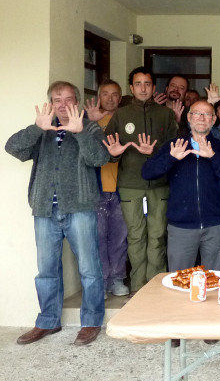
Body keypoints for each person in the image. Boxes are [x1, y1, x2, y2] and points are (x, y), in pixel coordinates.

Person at [6, 81, 108, 346]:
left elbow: (99, 158)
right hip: (44, 208)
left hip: (80, 207)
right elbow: (13, 148)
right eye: (57, 99)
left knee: (89, 268)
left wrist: (80, 132)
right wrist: (35, 128)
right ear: (51, 102)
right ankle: (48, 321)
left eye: (68, 99)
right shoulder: (42, 129)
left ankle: (91, 321)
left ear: (76, 101)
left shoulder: (91, 127)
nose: (63, 104)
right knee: (46, 270)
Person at [103, 67, 179, 291]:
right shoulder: (121, 115)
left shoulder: (165, 114)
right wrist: (114, 153)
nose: (143, 88)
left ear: (154, 87)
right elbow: (108, 150)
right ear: (131, 88)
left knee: (157, 235)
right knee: (135, 236)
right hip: (129, 184)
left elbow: (173, 151)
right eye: (138, 84)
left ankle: (155, 287)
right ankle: (138, 287)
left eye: (147, 84)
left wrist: (153, 155)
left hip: (160, 185)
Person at [141, 101, 220, 272]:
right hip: (181, 226)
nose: (201, 118)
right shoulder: (174, 145)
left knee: (213, 280)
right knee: (179, 281)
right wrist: (170, 157)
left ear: (213, 119)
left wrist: (213, 156)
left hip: (215, 225)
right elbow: (147, 173)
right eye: (197, 113)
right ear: (189, 117)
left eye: (207, 114)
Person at [84, 79, 130, 298]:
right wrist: (90, 122)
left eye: (114, 94)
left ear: (120, 98)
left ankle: (118, 279)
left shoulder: (125, 119)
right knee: (98, 237)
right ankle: (101, 281)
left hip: (121, 187)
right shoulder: (86, 121)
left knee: (120, 237)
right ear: (98, 96)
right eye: (105, 94)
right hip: (95, 188)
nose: (110, 98)